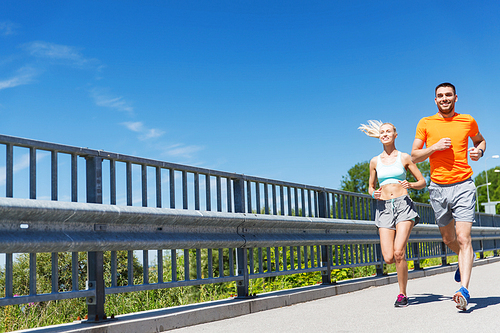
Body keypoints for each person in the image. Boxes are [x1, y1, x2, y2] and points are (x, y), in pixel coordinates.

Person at [411, 82, 486, 311]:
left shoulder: (467, 120)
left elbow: (480, 140)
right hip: (438, 188)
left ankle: (463, 290)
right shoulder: (426, 123)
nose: (444, 98)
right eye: (440, 96)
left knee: (464, 239)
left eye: (448, 95)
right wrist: (433, 147)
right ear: (435, 100)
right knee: (448, 239)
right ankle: (464, 261)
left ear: (456, 98)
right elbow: (414, 156)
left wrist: (479, 151)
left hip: (464, 184)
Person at [360, 120, 426, 307]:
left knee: (398, 252)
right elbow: (370, 187)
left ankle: (402, 294)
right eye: (382, 132)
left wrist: (411, 184)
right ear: (379, 136)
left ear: (395, 135)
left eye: (388, 131)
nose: (385, 134)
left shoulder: (404, 157)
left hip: (403, 204)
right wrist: (374, 194)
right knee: (388, 257)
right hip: (384, 208)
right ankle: (402, 279)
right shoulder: (374, 161)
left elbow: (422, 181)